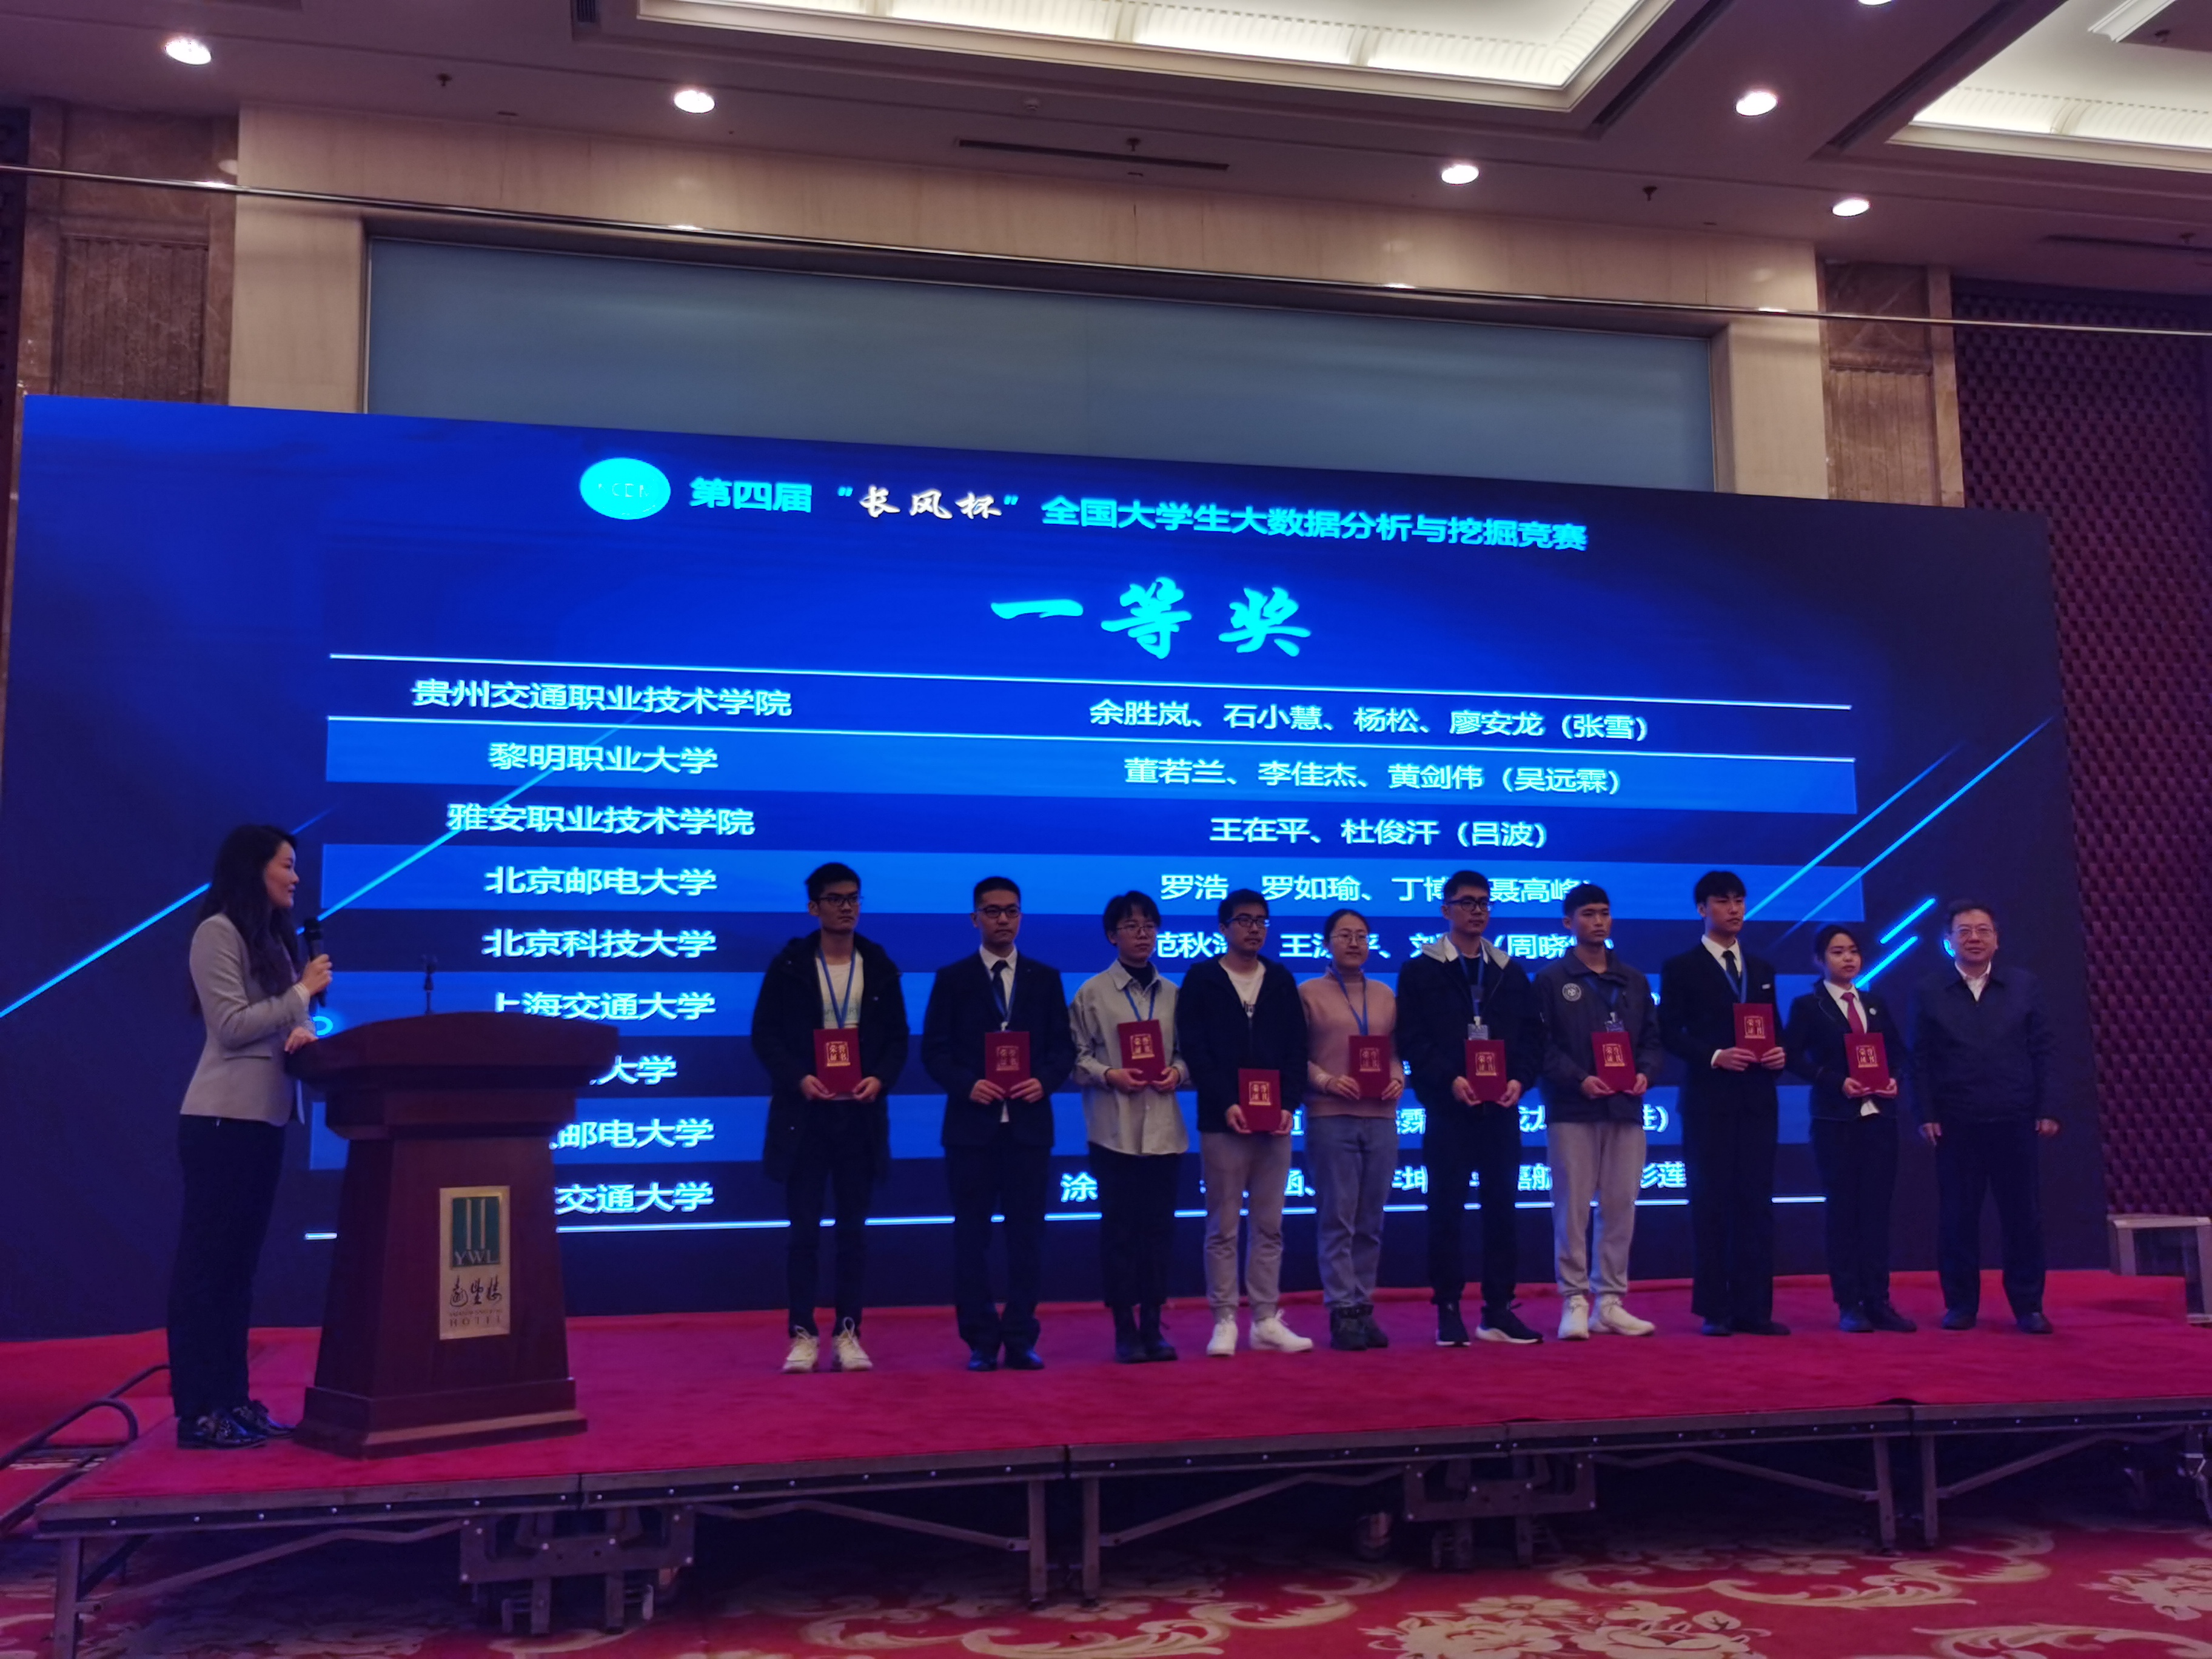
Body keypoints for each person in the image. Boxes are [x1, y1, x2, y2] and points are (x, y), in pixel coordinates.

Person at [169, 824, 330, 1450]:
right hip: (221, 1122)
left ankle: (233, 1400)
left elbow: (278, 1022)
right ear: (254, 868)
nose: (296, 877)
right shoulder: (217, 932)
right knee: (206, 1268)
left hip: (265, 1120)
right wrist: (301, 993)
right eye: (286, 865)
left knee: (237, 1271)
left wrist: (301, 1030)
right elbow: (232, 1026)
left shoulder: (274, 940)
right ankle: (197, 1411)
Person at [751, 862, 910, 1375]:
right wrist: (798, 1078)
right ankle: (802, 1334)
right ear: (813, 907)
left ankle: (848, 1332)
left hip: (859, 1117)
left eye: (854, 898)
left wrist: (879, 1078)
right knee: (803, 1231)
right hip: (806, 1116)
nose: (847, 907)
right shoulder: (790, 965)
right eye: (836, 899)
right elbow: (764, 1036)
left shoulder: (878, 964)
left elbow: (898, 1039)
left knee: (852, 1232)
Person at [921, 877, 1076, 1372]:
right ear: (975, 919)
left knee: (1027, 1237)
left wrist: (1043, 1081)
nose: (1003, 919)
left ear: (1021, 917)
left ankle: (1021, 1337)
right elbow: (934, 1051)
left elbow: (1063, 1049)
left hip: (1028, 1127)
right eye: (992, 911)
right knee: (972, 1238)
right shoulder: (953, 978)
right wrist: (969, 1085)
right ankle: (981, 1341)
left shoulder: (1044, 978)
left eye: (1011, 911)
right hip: (972, 1129)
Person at [1397, 870, 1546, 1347]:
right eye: (1467, 902)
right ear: (1446, 910)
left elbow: (1532, 1036)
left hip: (1500, 1110)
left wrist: (1520, 1079)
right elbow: (1412, 1039)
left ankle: (1498, 1309)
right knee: (1446, 1210)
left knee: (1502, 1211)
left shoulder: (1508, 971)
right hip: (1449, 1110)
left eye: (1484, 902)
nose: (1477, 910)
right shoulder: (1421, 970)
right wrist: (1450, 1079)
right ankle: (1447, 1308)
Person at [1910, 901, 2060, 1334]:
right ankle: (1960, 1305)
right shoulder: (1929, 990)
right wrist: (1926, 1112)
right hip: (1956, 1122)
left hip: (2015, 1118)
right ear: (1948, 941)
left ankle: (2029, 1306)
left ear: (1997, 939)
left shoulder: (2024, 986)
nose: (1973, 938)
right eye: (1964, 931)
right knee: (1958, 1218)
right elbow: (1920, 1059)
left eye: (1982, 930)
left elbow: (2043, 1050)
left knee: (2022, 1218)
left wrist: (2047, 1107)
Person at [1176, 890, 1313, 1358]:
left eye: (1261, 921)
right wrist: (1227, 1102)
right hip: (1223, 1122)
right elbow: (1196, 1049)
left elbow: (1297, 1048)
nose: (1254, 929)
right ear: (1224, 927)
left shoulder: (1280, 979)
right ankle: (1224, 1320)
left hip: (1275, 1123)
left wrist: (1289, 1104)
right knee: (1223, 1225)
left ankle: (1266, 1320)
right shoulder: (1202, 979)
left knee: (1270, 1225)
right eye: (1244, 920)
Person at [1658, 872, 1790, 1338]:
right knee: (1711, 1202)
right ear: (1702, 909)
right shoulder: (1682, 967)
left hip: (1757, 1100)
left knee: (1756, 1203)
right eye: (1722, 901)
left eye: (1739, 901)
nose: (1734, 909)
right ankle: (1715, 1308)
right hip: (1708, 1101)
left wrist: (1780, 1054)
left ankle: (1755, 1309)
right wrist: (1714, 1056)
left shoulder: (1762, 968)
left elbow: (1773, 1029)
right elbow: (1668, 1032)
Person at [1533, 883, 1664, 1341]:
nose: (1599, 921)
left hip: (1625, 1106)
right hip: (1574, 1108)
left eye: (1605, 913)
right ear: (1568, 923)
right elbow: (1541, 1047)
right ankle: (1573, 1298)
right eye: (1588, 914)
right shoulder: (1551, 980)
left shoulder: (1633, 980)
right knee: (1572, 1208)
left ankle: (1610, 1301)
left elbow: (1652, 1039)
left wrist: (1645, 1072)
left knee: (1620, 1205)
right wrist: (1578, 1079)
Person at [1069, 892, 1188, 1363]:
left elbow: (1188, 1055)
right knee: (1119, 1233)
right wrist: (1109, 1074)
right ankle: (1124, 1327)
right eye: (1131, 926)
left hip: (1164, 1133)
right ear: (1111, 935)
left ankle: (1154, 1326)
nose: (1142, 934)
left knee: (1158, 1233)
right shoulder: (1092, 993)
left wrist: (1177, 1073)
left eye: (1149, 926)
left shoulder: (1175, 994)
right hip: (1113, 1131)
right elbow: (1075, 1058)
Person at [1785, 924, 1915, 1333]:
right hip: (1836, 1121)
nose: (1848, 959)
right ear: (1819, 961)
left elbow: (1898, 1052)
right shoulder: (1809, 1006)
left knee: (1876, 1211)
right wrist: (1835, 1081)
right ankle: (1849, 1302)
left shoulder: (1874, 1003)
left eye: (1853, 951)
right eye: (1838, 952)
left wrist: (1893, 1078)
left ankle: (1879, 1300)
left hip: (1879, 1118)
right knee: (1843, 1211)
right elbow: (1793, 1058)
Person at [1295, 907, 1403, 1352]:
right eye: (1344, 935)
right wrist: (1325, 1081)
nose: (1354, 943)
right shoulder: (1308, 993)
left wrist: (1398, 1077)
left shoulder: (1384, 994)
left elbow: (1394, 1051)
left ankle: (1363, 1306)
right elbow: (1293, 1055)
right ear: (1327, 943)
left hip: (1380, 1117)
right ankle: (1342, 1310)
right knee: (1337, 1218)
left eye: (1361, 935)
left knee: (1370, 1221)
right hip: (1330, 1115)